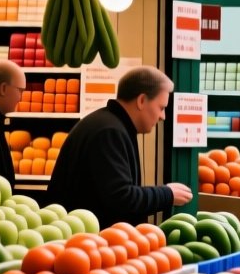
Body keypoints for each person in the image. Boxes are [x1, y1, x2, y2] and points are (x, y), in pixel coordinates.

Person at [48, 67, 192, 226]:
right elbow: (121, 198)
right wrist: (167, 194)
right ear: (142, 100)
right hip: (87, 244)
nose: (162, 116)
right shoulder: (109, 132)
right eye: (161, 107)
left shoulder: (110, 125)